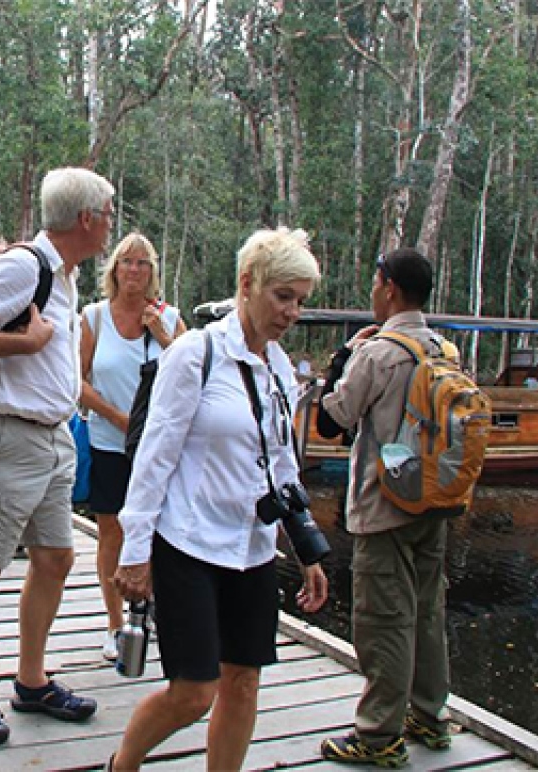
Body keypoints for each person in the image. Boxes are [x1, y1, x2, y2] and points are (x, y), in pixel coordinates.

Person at [112, 227, 329, 771]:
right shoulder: (194, 354)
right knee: (193, 692)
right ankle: (124, 763)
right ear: (247, 283)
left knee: (244, 682)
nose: (292, 312)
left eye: (301, 301)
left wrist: (307, 548)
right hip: (188, 542)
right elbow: (155, 457)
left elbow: (281, 463)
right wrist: (135, 549)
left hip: (251, 547)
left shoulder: (280, 367)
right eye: (284, 296)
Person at [0, 167, 115, 746]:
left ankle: (31, 681)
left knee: (57, 558)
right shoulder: (22, 266)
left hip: (52, 439)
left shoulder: (65, 276)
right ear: (86, 218)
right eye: (109, 212)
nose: (112, 223)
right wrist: (25, 343)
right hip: (2, 438)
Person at [316, 248, 454, 767]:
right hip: (435, 498)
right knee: (428, 611)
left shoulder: (378, 352)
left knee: (383, 620)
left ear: (390, 287)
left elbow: (334, 420)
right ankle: (429, 715)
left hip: (384, 504)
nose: (373, 291)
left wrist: (341, 360)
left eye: (376, 282)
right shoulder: (444, 348)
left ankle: (379, 736)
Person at [78, 232, 187, 660]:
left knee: (161, 531)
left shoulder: (169, 317)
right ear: (114, 270)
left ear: (152, 272)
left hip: (157, 447)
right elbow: (77, 381)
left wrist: (162, 336)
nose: (135, 271)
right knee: (111, 531)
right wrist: (119, 419)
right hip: (109, 443)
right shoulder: (94, 317)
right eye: (127, 262)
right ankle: (115, 623)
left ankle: (151, 609)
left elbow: (194, 371)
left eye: (143, 264)